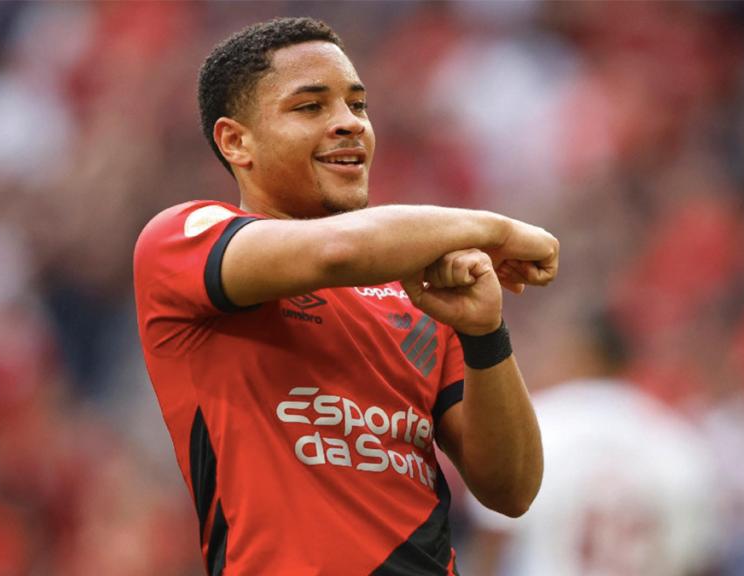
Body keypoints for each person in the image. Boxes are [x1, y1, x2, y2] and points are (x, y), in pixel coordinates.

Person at [133, 17, 559, 576]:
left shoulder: (421, 289)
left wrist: (485, 334)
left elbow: (513, 489)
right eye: (310, 107)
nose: (347, 125)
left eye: (357, 106)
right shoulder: (184, 238)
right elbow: (335, 253)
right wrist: (496, 230)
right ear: (236, 141)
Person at [463, 313, 720, 576]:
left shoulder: (537, 425)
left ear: (582, 354)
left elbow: (493, 538)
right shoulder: (678, 441)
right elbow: (698, 561)